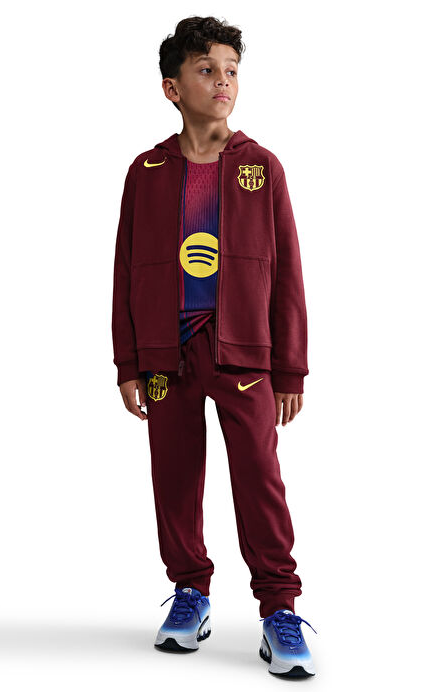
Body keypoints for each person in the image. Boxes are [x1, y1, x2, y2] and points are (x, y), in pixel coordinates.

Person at [111, 15, 317, 678]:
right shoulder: (146, 171)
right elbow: (125, 270)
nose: (223, 81)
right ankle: (189, 592)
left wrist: (290, 368)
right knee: (173, 477)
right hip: (165, 354)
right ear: (172, 88)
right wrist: (129, 361)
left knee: (259, 478)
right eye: (206, 70)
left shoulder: (261, 166)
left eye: (230, 70)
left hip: (244, 355)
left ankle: (279, 608)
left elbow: (286, 271)